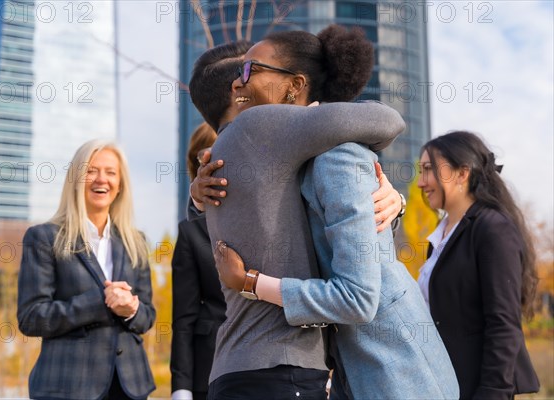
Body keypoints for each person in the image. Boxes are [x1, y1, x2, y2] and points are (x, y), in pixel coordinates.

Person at [190, 25, 443, 399]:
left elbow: (355, 264)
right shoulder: (260, 132)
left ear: (294, 83)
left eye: (251, 70)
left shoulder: (298, 152)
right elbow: (387, 120)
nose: (242, 82)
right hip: (285, 367)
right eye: (239, 73)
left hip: (378, 365)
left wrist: (397, 202)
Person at [17, 140, 156, 400]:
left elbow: (147, 315)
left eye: (110, 172)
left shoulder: (136, 241)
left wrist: (131, 309)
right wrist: (97, 303)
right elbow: (31, 317)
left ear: (121, 184)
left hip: (130, 386)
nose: (101, 179)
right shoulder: (44, 238)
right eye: (90, 170)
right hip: (67, 385)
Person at [416, 131, 540, 399]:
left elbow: (503, 323)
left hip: (477, 389)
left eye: (428, 170)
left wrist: (492, 393)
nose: (420, 182)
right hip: (443, 385)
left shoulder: (493, 229)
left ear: (462, 174)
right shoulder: (441, 235)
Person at [171, 122, 225, 400]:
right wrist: (181, 389)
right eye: (205, 156)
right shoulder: (190, 231)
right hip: (208, 370)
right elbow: (183, 318)